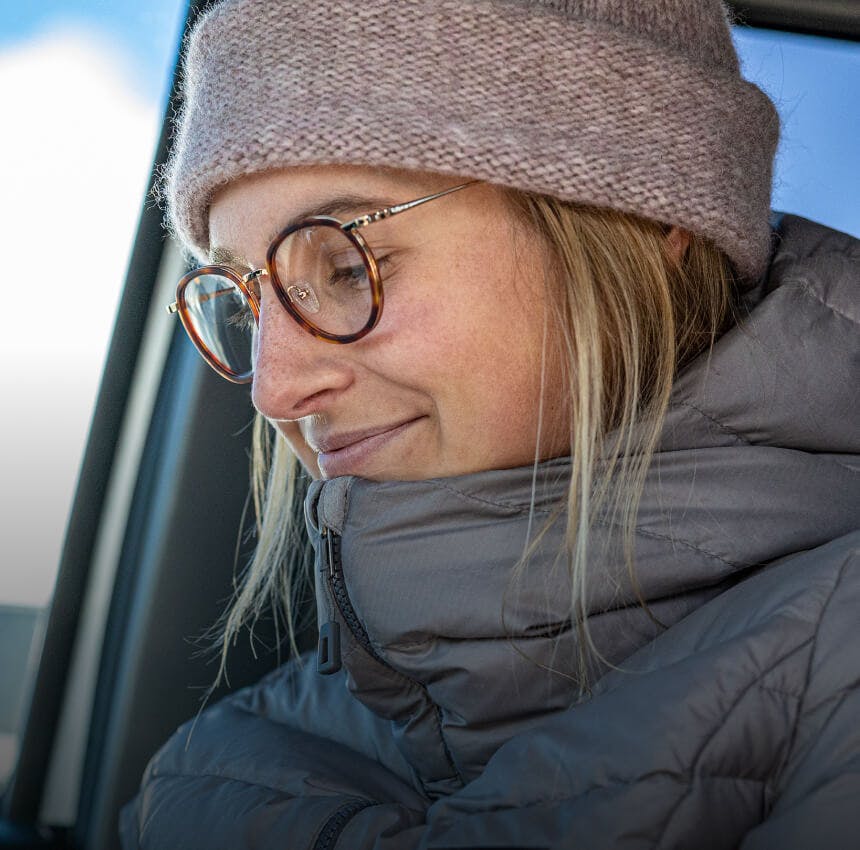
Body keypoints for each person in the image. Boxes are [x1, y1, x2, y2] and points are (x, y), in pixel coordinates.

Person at [120, 0, 860, 847]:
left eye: (347, 266)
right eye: (251, 305)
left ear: (654, 222)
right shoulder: (221, 766)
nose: (277, 389)